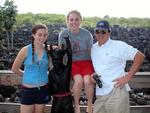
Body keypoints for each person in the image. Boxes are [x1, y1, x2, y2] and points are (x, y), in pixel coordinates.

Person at [91, 20, 145, 113]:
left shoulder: (118, 46)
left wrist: (127, 77)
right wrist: (92, 75)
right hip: (100, 94)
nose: (100, 34)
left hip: (116, 92)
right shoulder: (93, 48)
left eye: (103, 31)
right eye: (97, 31)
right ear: (95, 32)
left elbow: (140, 56)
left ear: (109, 32)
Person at [58, 10, 94, 113]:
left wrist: (96, 68)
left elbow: (91, 52)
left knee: (88, 80)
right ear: (67, 21)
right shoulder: (63, 34)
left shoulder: (87, 34)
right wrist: (62, 69)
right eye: (71, 20)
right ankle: (76, 105)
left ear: (81, 21)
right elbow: (62, 52)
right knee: (78, 81)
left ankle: (90, 104)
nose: (74, 22)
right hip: (73, 62)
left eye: (77, 19)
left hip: (87, 61)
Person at [11, 24, 50, 113]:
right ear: (33, 35)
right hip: (28, 90)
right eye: (39, 35)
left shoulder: (48, 50)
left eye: (45, 35)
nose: (42, 37)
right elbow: (14, 68)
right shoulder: (25, 50)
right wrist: (27, 75)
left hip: (43, 89)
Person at [48, 35, 74, 113]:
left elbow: (70, 54)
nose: (56, 62)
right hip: (57, 100)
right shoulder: (51, 73)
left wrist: (67, 40)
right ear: (52, 60)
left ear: (62, 59)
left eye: (59, 60)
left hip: (67, 100)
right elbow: (50, 90)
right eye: (54, 60)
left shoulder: (66, 69)